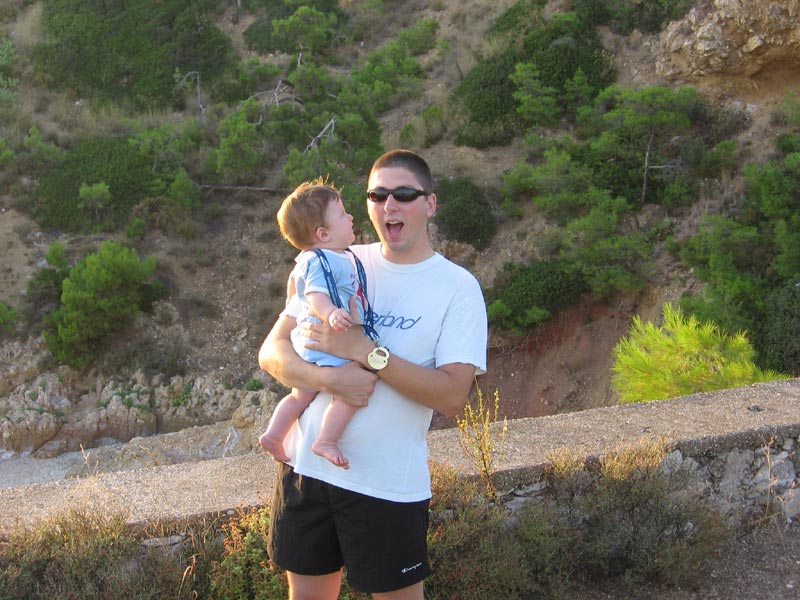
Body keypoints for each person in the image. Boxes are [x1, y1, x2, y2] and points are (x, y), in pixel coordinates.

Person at [258, 149, 488, 599]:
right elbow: (272, 352)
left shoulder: (458, 288)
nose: (389, 205)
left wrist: (366, 353)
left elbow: (452, 396)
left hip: (387, 487)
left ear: (430, 203)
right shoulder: (334, 260)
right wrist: (327, 380)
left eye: (404, 194)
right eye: (377, 195)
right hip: (306, 472)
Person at [258, 179, 372, 470]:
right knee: (352, 389)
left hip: (317, 341)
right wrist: (331, 313)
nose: (350, 217)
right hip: (324, 339)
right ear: (323, 233)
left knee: (300, 395)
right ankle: (326, 440)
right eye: (342, 214)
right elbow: (315, 295)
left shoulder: (337, 257)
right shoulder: (320, 261)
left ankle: (273, 435)